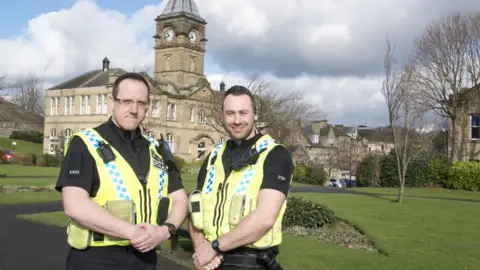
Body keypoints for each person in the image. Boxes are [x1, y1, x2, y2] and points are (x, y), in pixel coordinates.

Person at [55, 72, 188, 270]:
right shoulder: (84, 143)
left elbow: (180, 199)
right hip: (97, 258)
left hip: (145, 257)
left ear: (147, 106)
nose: (134, 110)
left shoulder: (156, 149)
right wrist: (133, 233)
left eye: (141, 103)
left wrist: (165, 231)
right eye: (126, 101)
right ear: (112, 101)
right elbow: (75, 205)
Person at [188, 85, 294, 270]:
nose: (237, 120)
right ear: (222, 116)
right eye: (230, 113)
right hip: (211, 263)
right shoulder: (214, 155)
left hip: (250, 262)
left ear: (255, 114)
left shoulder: (275, 154)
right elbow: (195, 208)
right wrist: (200, 247)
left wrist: (214, 247)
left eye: (243, 113)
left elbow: (265, 217)